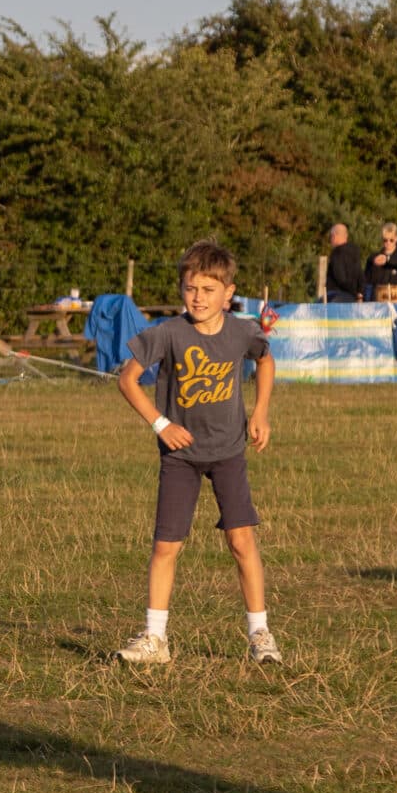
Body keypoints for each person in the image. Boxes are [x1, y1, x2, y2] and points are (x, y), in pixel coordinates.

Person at [111, 240, 278, 666]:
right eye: (190, 288)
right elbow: (127, 378)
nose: (198, 297)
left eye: (208, 289)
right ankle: (155, 638)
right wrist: (161, 424)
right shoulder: (168, 333)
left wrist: (259, 411)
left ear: (228, 292)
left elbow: (265, 359)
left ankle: (260, 635)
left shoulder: (242, 331)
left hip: (228, 453)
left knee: (242, 542)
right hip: (180, 458)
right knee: (166, 545)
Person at [321, 223, 363, 305]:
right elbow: (360, 275)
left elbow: (340, 278)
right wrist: (359, 293)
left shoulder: (337, 254)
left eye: (331, 236)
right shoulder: (355, 252)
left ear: (335, 236)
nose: (331, 239)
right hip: (353, 297)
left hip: (337, 296)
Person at [360, 222, 397, 298]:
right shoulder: (374, 258)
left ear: (396, 238)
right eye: (385, 240)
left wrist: (388, 260)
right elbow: (365, 280)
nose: (388, 243)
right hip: (378, 300)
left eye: (391, 240)